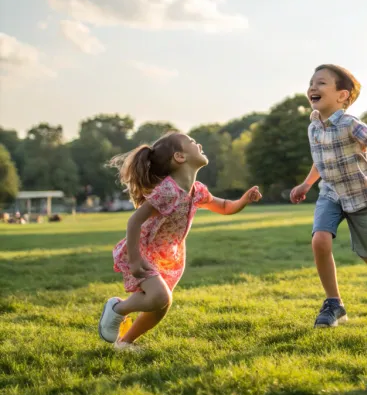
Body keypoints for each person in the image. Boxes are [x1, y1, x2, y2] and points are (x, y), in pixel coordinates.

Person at [97, 132, 262, 351]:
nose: (199, 143)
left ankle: (125, 343)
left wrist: (243, 200)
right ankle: (117, 308)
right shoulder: (168, 190)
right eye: (192, 142)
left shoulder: (197, 190)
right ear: (180, 157)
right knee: (159, 297)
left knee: (161, 305)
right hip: (143, 252)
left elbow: (223, 207)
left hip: (167, 257)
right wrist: (136, 261)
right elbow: (134, 221)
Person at [290, 64, 367, 328]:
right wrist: (307, 184)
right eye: (311, 83)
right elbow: (321, 161)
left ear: (342, 95)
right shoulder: (313, 127)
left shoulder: (351, 124)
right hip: (330, 194)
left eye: (321, 83)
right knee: (319, 241)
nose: (312, 88)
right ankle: (334, 303)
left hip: (361, 197)